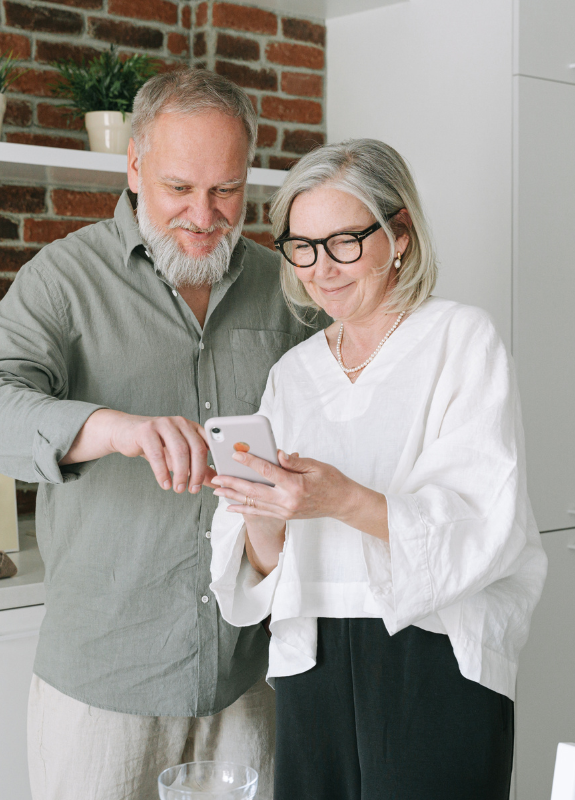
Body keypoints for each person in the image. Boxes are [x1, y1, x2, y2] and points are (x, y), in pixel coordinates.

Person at [0, 69, 313, 800]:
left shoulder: (287, 287)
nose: (205, 216)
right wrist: (107, 427)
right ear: (134, 167)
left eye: (227, 190)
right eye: (179, 188)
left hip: (249, 678)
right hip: (103, 686)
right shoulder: (63, 280)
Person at [208, 138, 548, 800]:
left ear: (399, 234)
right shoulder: (293, 374)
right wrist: (260, 508)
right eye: (301, 246)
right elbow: (264, 566)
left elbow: (485, 518)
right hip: (312, 657)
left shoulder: (460, 340)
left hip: (435, 653)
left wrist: (340, 499)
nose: (320, 268)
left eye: (343, 242)